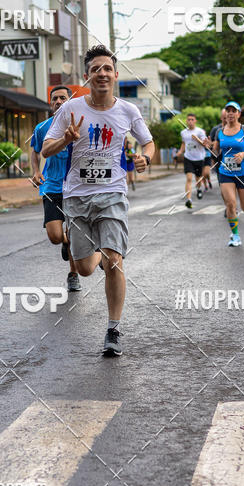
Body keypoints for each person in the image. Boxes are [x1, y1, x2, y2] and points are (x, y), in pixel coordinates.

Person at [42, 44, 154, 358]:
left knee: (115, 260)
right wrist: (66, 139)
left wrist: (145, 158)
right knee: (84, 269)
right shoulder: (70, 109)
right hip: (76, 196)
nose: (102, 73)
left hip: (112, 194)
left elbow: (148, 143)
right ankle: (98, 256)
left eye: (107, 68)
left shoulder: (128, 111)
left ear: (115, 74)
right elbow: (46, 149)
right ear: (87, 76)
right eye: (95, 69)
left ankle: (113, 329)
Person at [30, 86, 81, 291]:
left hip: (75, 186)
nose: (58, 102)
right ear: (50, 103)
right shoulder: (42, 128)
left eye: (62, 98)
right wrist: (36, 171)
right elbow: (35, 151)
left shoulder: (80, 124)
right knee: (55, 236)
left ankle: (73, 274)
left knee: (74, 233)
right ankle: (65, 241)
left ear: (70, 101)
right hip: (51, 185)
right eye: (54, 99)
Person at [209, 102, 244, 247]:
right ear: (225, 114)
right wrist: (208, 146)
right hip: (225, 173)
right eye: (228, 111)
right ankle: (235, 236)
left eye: (233, 111)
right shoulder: (219, 132)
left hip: (243, 173)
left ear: (238, 114)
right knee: (230, 204)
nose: (230, 113)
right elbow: (216, 150)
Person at [177, 113, 207, 209]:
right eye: (188, 119)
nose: (190, 121)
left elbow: (205, 144)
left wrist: (197, 139)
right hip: (188, 158)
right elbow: (183, 143)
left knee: (198, 178)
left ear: (195, 121)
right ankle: (189, 199)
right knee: (189, 178)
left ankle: (199, 189)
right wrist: (180, 151)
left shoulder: (200, 131)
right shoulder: (183, 132)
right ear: (186, 121)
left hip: (199, 158)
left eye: (192, 119)